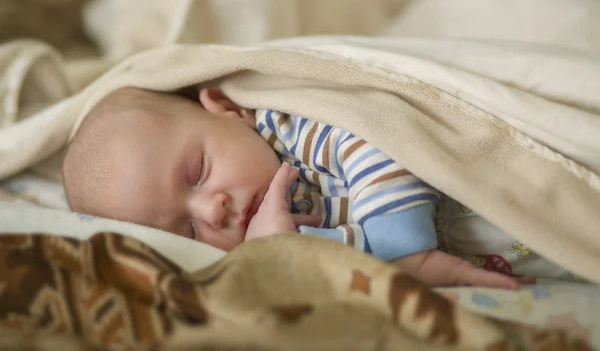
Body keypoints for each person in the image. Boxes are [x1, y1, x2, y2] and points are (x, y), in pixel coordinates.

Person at [62, 87, 536, 288]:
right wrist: (286, 252)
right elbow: (343, 264)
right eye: (187, 232)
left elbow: (372, 146)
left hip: (516, 181)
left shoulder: (289, 131)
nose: (212, 211)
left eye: (198, 171)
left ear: (226, 109)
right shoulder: (261, 250)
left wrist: (408, 255)